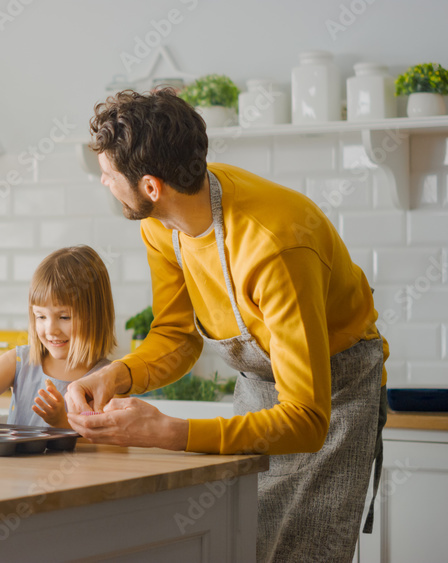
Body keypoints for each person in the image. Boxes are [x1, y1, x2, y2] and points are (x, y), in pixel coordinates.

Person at [65, 88, 388, 563]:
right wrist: (116, 375)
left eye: (108, 174)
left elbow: (307, 419)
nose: (105, 183)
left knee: (303, 552)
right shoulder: (161, 223)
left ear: (151, 185)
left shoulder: (274, 247)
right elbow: (176, 337)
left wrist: (172, 432)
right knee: (242, 544)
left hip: (335, 396)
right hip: (260, 386)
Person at [0, 246, 117, 429]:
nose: (51, 330)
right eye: (40, 317)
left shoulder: (109, 377)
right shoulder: (18, 361)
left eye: (64, 317)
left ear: (95, 315)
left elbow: (112, 448)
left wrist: (62, 423)